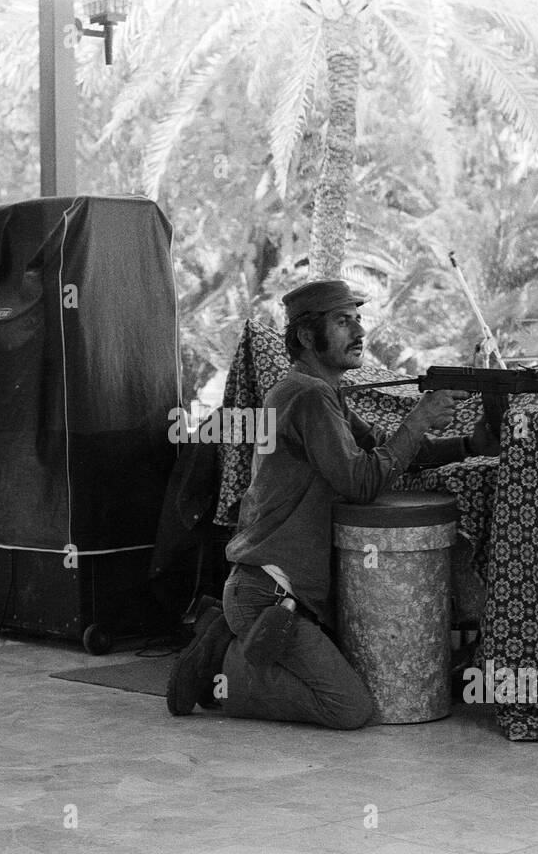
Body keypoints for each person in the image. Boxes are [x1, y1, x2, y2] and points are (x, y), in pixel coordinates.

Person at [166, 279, 499, 728]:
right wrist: (418, 419)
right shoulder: (308, 396)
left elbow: (383, 447)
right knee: (349, 708)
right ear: (306, 336)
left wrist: (466, 443)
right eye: (343, 321)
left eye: (358, 319)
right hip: (270, 592)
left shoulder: (319, 392)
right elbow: (361, 480)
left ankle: (224, 632)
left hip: (277, 590)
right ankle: (222, 669)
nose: (358, 331)